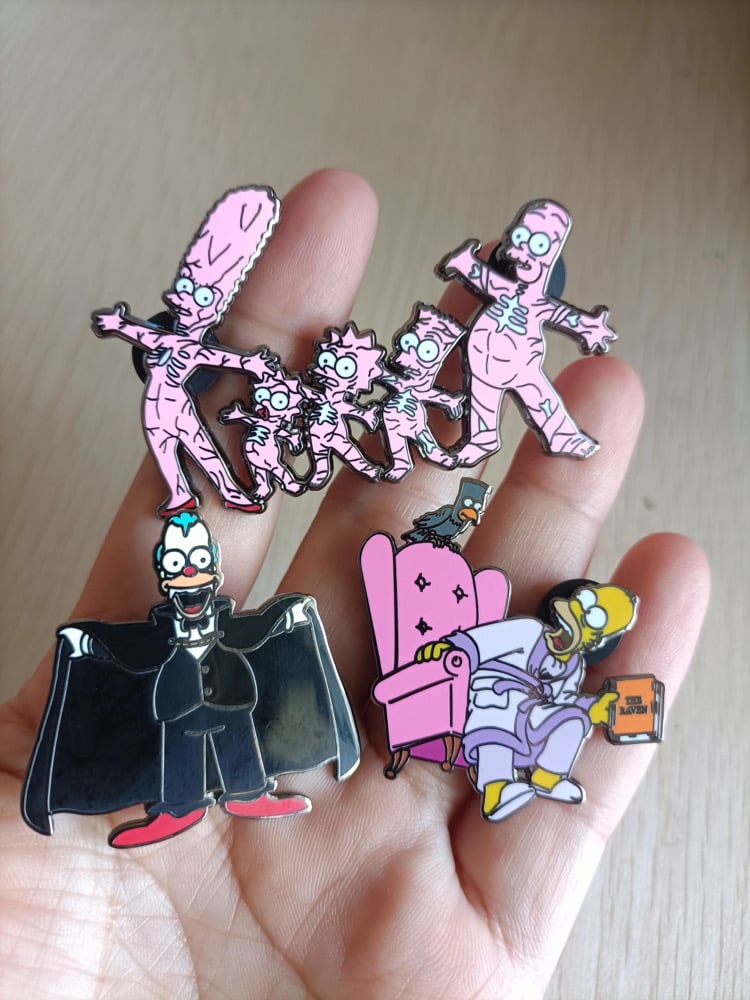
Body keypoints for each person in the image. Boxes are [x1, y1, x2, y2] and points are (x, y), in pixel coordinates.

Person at [0, 170, 709, 998]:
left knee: (240, 712)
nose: (191, 570)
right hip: (198, 672)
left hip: (422, 672)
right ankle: (180, 800)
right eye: (184, 564)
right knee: (192, 715)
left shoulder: (521, 642)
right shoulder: (181, 591)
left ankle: (253, 786)